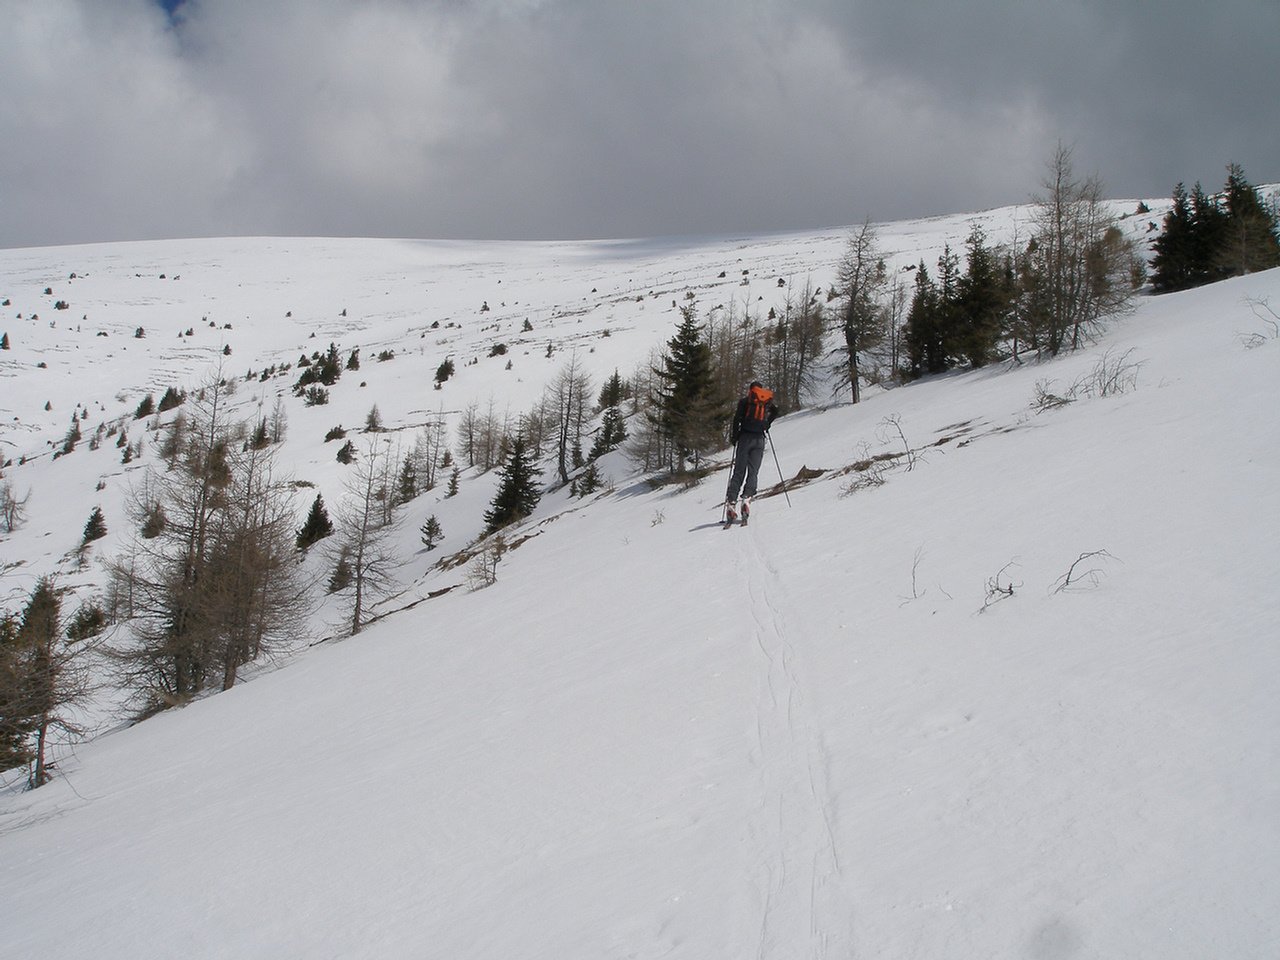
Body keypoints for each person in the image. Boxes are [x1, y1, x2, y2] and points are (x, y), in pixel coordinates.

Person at [724, 382, 778, 523]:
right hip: (759, 439)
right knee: (753, 471)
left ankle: (731, 503)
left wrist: (735, 436)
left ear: (751, 390)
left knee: (739, 471)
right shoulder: (766, 402)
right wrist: (767, 424)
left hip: (745, 439)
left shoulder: (745, 401)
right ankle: (747, 500)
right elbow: (776, 411)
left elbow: (737, 419)